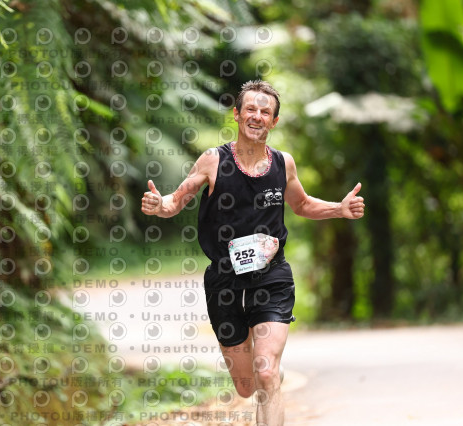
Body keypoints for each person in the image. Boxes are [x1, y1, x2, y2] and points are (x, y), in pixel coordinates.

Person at [141, 80, 365, 426]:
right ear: (237, 114)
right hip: (224, 281)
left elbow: (302, 204)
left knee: (265, 372)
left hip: (271, 276)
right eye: (250, 109)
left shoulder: (283, 164)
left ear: (274, 121)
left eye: (265, 111)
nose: (257, 116)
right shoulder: (213, 161)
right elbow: (177, 200)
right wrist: (161, 205)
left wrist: (339, 208)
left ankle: (270, 375)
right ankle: (266, 377)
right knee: (246, 386)